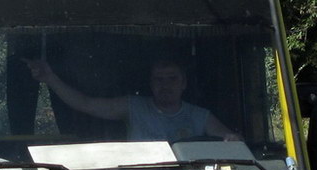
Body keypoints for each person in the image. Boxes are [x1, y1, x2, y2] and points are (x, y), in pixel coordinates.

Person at [26, 57, 238, 142]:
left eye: (172, 79)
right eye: (159, 79)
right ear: (151, 84)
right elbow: (85, 104)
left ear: (183, 83)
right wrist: (50, 79)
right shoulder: (133, 107)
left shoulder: (200, 116)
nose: (165, 85)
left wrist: (232, 141)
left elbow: (232, 142)